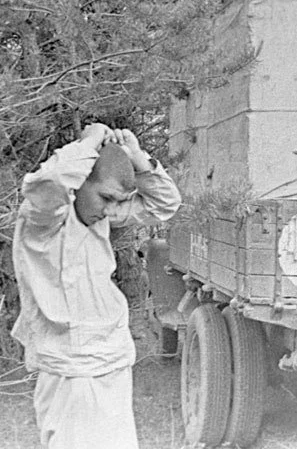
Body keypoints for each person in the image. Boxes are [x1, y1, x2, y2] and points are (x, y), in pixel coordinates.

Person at [11, 123, 181, 449]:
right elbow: (50, 179)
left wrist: (138, 157)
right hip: (72, 370)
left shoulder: (99, 215)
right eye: (105, 197)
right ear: (81, 181)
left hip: (112, 359)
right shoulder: (42, 220)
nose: (109, 209)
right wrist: (90, 141)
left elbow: (165, 205)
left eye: (116, 202)